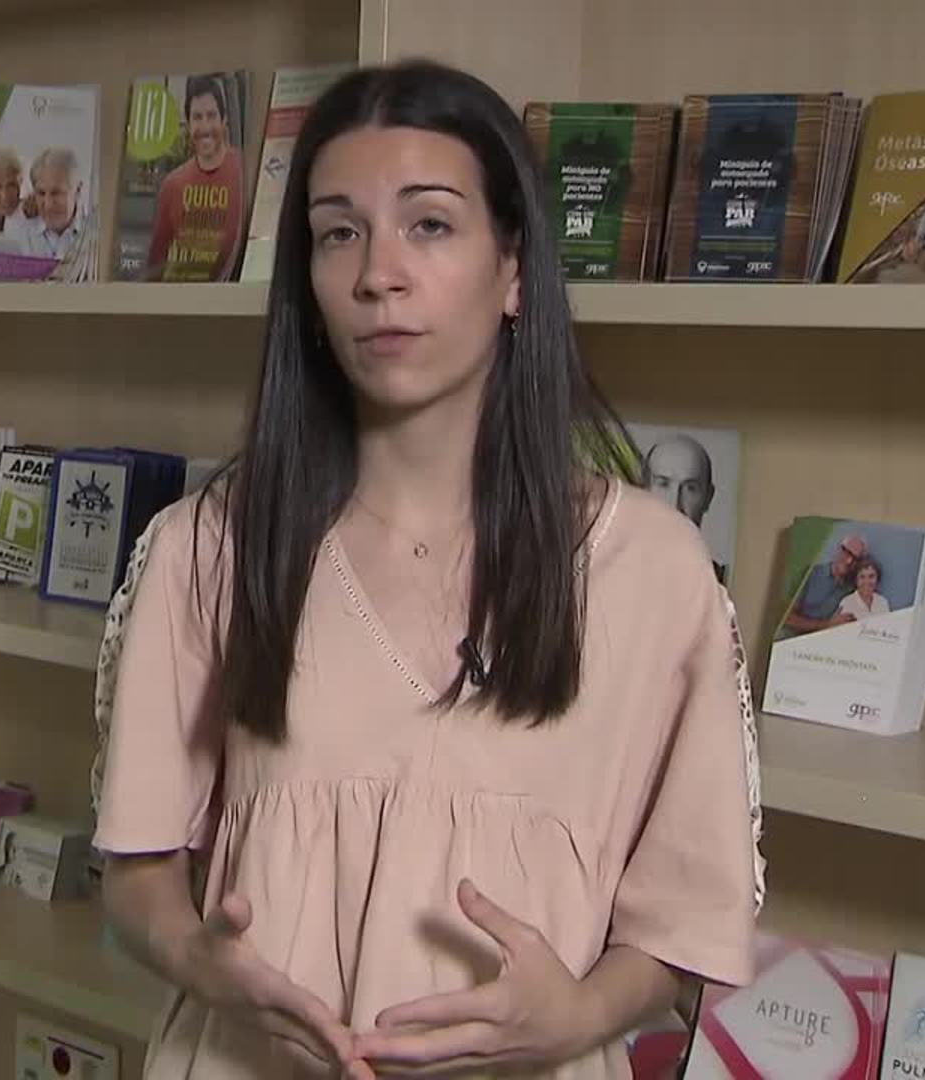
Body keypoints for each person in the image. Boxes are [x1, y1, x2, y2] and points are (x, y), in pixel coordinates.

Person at [94, 60, 757, 1080]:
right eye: (339, 234)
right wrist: (196, 958)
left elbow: (688, 921)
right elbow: (138, 873)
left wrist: (579, 1016)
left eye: (430, 225)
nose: (379, 275)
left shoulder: (655, 571)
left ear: (515, 270)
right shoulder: (207, 548)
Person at [145, 74, 247, 281]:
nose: (205, 127)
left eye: (211, 116)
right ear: (188, 124)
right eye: (197, 117)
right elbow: (154, 268)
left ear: (224, 121)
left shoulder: (245, 173)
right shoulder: (172, 186)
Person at [642, 434, 726, 584]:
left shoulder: (715, 585)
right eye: (663, 484)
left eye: (690, 488)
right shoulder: (611, 572)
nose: (675, 504)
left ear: (708, 497)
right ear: (643, 490)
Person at [10, 146, 89, 262]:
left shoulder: (97, 230)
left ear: (78, 190)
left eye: (56, 193)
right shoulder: (18, 229)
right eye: (41, 193)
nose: (48, 205)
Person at [783, 533, 867, 635]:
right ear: (838, 549)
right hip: (790, 637)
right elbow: (787, 618)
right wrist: (827, 624)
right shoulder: (809, 573)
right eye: (847, 553)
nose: (849, 561)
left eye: (856, 559)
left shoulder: (851, 589)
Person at [836, 556, 891, 622]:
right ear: (856, 580)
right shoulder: (846, 603)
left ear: (877, 578)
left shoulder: (883, 602)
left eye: (871, 576)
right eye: (862, 577)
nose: (866, 581)